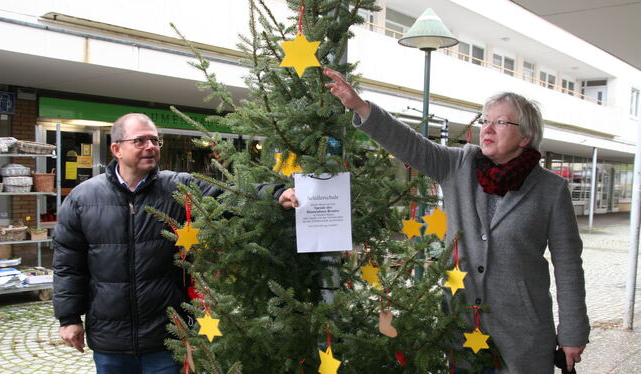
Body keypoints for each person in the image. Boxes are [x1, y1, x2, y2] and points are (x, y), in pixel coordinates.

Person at [321, 67, 589, 374]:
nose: (487, 128)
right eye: (485, 120)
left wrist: (572, 332)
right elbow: (409, 144)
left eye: (500, 122)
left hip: (523, 333)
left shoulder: (551, 189)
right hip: (461, 328)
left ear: (525, 137)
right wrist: (360, 106)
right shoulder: (458, 165)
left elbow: (568, 264)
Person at [53, 113, 297, 373]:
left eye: (155, 141)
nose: (151, 147)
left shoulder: (178, 187)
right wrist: (69, 319)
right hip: (111, 341)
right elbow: (68, 264)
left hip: (167, 337)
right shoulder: (83, 198)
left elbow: (228, 195)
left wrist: (276, 194)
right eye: (140, 141)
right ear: (116, 149)